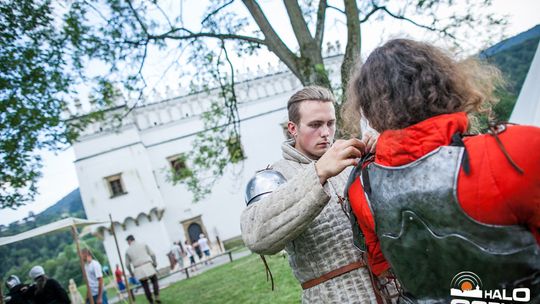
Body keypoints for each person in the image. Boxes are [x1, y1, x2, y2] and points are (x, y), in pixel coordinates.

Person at [345, 38, 540, 303]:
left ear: (370, 109)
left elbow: (386, 267)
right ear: (444, 82)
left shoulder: (363, 188)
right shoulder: (517, 151)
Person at [241, 86, 377, 303]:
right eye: (315, 125)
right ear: (292, 128)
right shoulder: (273, 176)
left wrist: (379, 160)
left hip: (388, 292)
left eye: (330, 124)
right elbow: (256, 236)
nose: (325, 133)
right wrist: (318, 173)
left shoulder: (351, 161)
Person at [125, 235, 160, 303]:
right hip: (148, 266)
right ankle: (156, 296)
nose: (127, 243)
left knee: (145, 286)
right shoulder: (143, 244)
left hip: (138, 269)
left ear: (129, 241)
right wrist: (155, 263)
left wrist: (131, 272)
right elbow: (152, 254)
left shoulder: (127, 251)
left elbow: (127, 265)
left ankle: (151, 301)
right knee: (154, 281)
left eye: (127, 242)